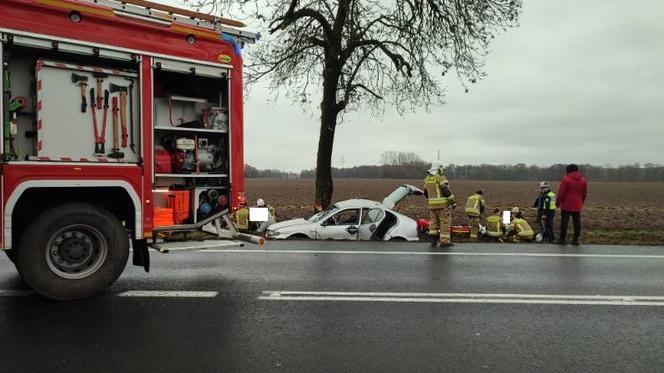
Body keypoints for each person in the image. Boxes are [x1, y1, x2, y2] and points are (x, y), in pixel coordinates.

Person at [423, 161, 456, 247]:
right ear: (439, 168)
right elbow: (446, 190)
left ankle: (433, 241)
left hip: (432, 206)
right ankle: (445, 242)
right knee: (445, 223)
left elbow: (425, 192)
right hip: (443, 206)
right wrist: (453, 202)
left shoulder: (427, 179)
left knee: (433, 223)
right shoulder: (440, 178)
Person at [556, 164, 588, 246]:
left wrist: (557, 203)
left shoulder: (566, 179)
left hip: (567, 204)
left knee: (564, 222)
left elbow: (561, 193)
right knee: (577, 222)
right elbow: (584, 194)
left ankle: (562, 239)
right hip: (577, 204)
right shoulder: (583, 180)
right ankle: (576, 239)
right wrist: (581, 202)